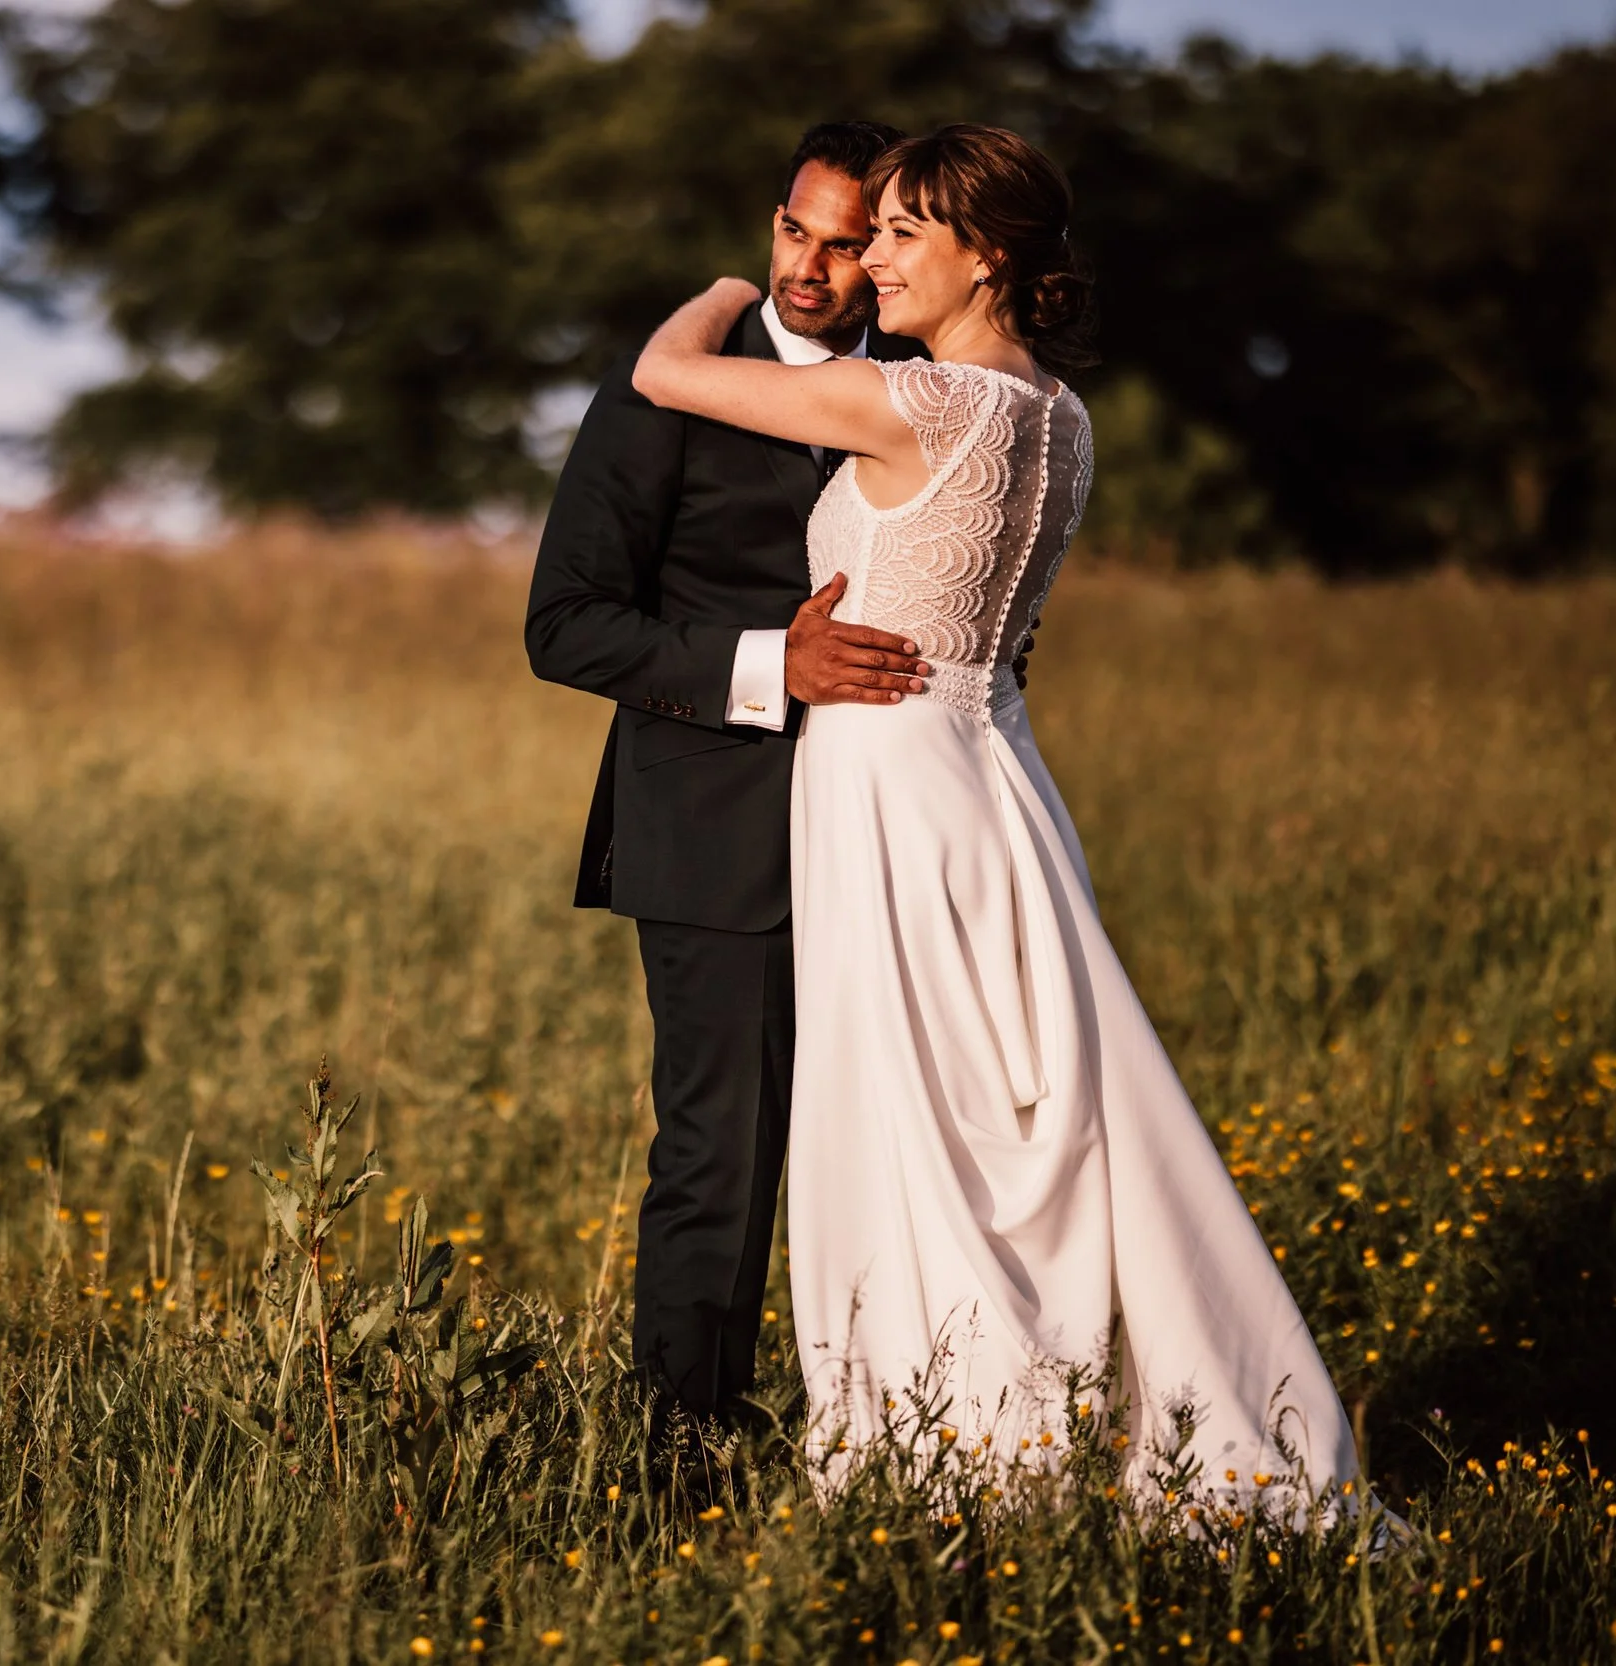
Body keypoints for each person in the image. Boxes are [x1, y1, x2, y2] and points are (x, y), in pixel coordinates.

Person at [628, 124, 1359, 1509]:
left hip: (889, 778)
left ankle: (953, 1445)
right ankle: (1047, 1408)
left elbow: (665, 374)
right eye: (870, 232)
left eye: (905, 233)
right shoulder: (1063, 421)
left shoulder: (913, 405)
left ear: (993, 256)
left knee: (912, 1116)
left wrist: (734, 284)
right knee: (1022, 1108)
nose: (871, 261)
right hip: (997, 774)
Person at [525, 121, 939, 1432]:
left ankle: (889, 1432)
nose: (810, 270)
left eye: (844, 243)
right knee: (723, 1157)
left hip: (891, 822)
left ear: (891, 253)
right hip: (714, 827)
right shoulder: (670, 383)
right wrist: (776, 666)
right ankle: (683, 1451)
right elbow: (567, 624)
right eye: (791, 233)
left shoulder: (926, 387)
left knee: (891, 1148)